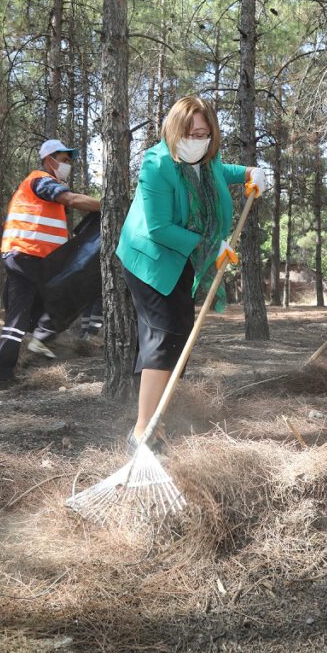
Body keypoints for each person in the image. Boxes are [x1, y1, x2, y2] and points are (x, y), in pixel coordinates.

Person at [116, 95, 268, 450]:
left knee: (177, 337)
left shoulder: (206, 160)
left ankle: (157, 417)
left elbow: (219, 172)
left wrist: (249, 172)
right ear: (173, 130)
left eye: (202, 133)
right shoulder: (157, 164)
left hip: (181, 259)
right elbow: (157, 228)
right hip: (149, 259)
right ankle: (141, 432)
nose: (195, 140)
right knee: (165, 335)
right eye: (188, 132)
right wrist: (209, 245)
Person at [0, 139, 101, 388]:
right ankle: (36, 344)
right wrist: (109, 205)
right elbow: (71, 200)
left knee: (23, 316)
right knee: (63, 296)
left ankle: (6, 370)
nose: (68, 164)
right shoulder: (41, 180)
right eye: (64, 159)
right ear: (49, 160)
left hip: (30, 257)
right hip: (27, 256)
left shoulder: (42, 184)